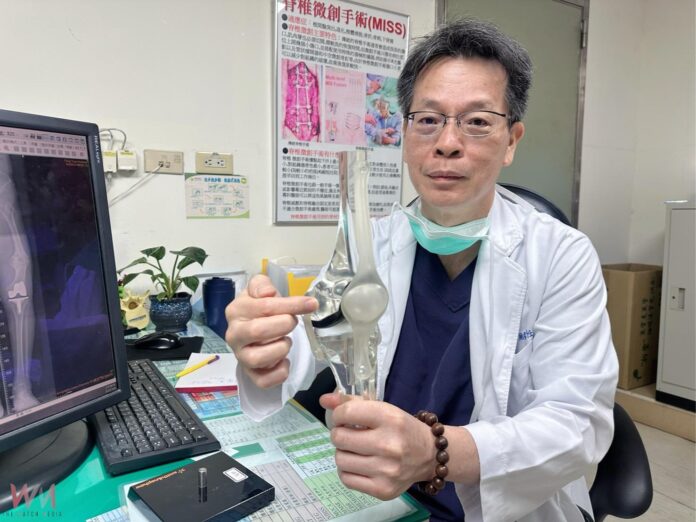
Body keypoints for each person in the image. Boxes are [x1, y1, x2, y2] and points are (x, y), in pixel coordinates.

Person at [226, 19, 618, 522]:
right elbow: (308, 349)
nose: (448, 142)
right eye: (428, 119)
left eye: (477, 121)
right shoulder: (371, 242)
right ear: (405, 133)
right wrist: (263, 353)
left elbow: (578, 425)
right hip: (389, 502)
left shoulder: (561, 255)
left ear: (511, 140)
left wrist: (438, 452)